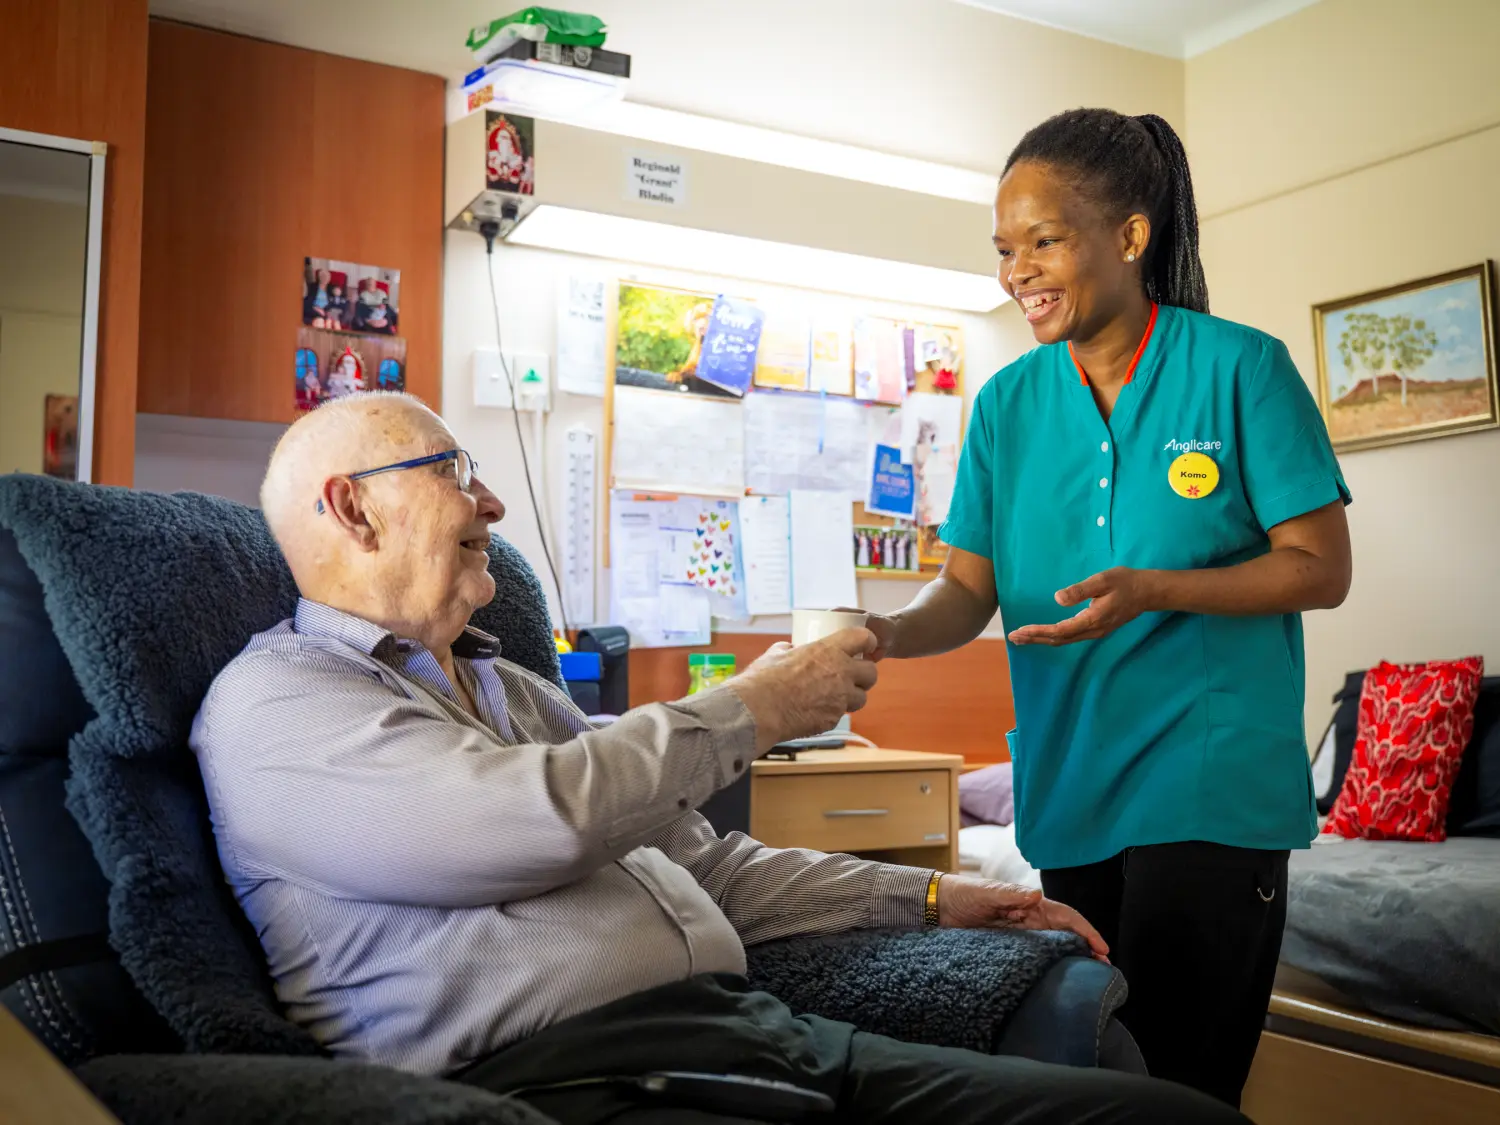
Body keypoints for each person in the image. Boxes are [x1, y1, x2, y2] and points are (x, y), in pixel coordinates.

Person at [191, 391, 1244, 1125]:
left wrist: (934, 898)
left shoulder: (515, 688)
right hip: (570, 1086)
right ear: (353, 507)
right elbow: (530, 820)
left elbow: (707, 866)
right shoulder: (278, 701)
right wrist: (757, 704)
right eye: (456, 474)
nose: (493, 505)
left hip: (756, 1039)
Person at [856, 108, 1352, 1107]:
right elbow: (967, 590)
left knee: (1177, 1087)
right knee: (1095, 1084)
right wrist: (882, 634)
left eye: (1043, 241)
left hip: (1207, 780)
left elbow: (1319, 568)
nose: (1019, 272)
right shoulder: (1006, 405)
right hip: (1072, 785)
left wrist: (1155, 589)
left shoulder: (1240, 368)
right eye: (1005, 249)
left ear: (1129, 236)